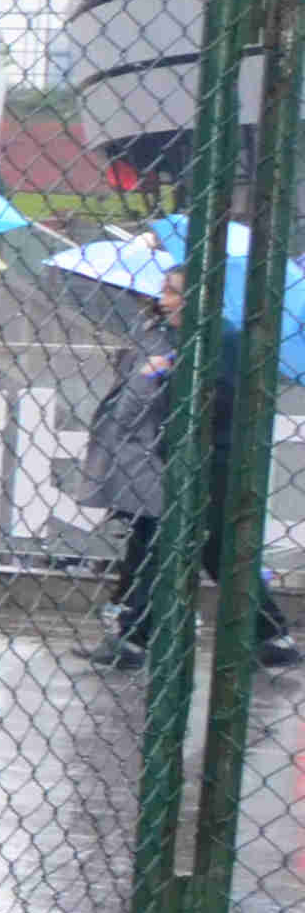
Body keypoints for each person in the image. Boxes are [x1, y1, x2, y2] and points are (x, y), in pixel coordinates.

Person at [85, 264, 292, 674]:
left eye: (173, 291)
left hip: (213, 462)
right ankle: (270, 635)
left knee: (167, 542)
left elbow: (221, 401)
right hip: (183, 458)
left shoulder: (224, 340)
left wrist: (175, 375)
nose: (164, 300)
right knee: (203, 549)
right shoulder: (183, 339)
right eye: (164, 290)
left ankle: (135, 637)